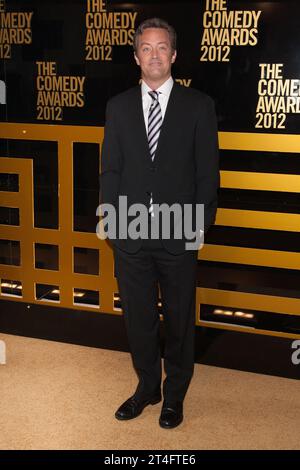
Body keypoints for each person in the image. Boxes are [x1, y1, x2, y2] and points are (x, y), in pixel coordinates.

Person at [100, 17, 219, 429]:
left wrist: (198, 227)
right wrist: (113, 225)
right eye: (146, 48)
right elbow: (110, 171)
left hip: (179, 234)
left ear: (174, 54)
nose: (154, 54)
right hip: (130, 234)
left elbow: (207, 174)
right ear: (136, 57)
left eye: (161, 47)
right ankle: (148, 387)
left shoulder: (199, 106)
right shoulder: (117, 108)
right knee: (138, 320)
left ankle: (175, 395)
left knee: (180, 320)